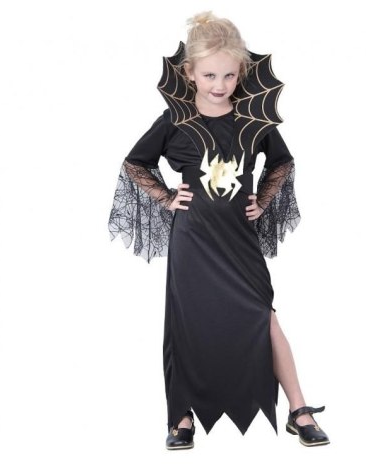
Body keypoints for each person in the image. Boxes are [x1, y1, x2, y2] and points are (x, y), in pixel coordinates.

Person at [108, 11, 330, 450]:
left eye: (229, 75)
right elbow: (136, 163)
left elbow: (281, 162)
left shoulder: (253, 121)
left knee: (264, 316)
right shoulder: (174, 121)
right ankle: (181, 416)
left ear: (240, 73)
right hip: (193, 241)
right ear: (190, 72)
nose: (219, 84)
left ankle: (298, 409)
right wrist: (167, 197)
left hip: (238, 241)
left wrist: (262, 200)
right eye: (209, 74)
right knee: (188, 324)